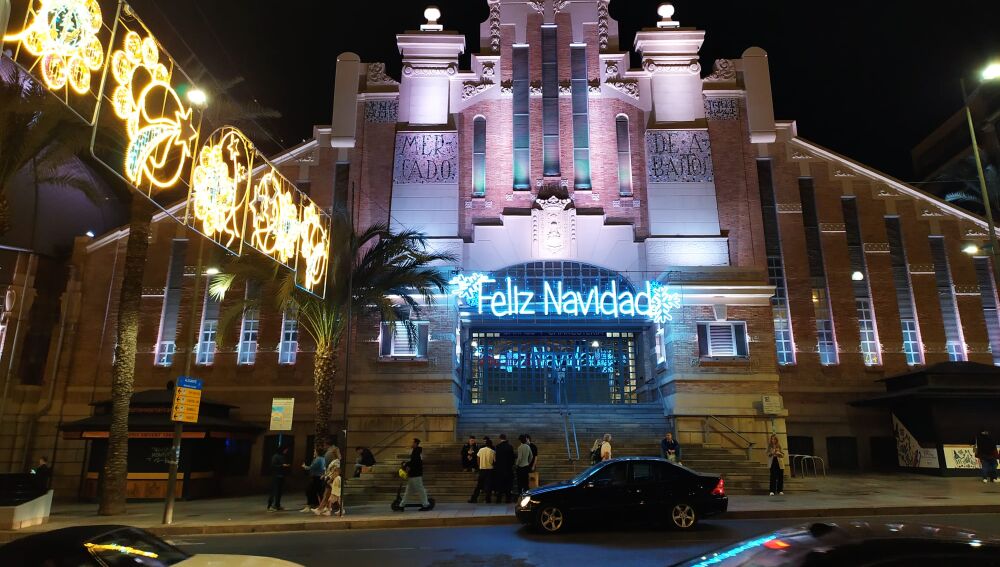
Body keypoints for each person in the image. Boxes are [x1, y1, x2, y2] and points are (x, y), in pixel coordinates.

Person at [399, 438, 432, 511]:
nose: (411, 444)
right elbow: (413, 461)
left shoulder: (417, 452)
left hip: (416, 474)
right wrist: (407, 465)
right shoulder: (415, 451)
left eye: (412, 442)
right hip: (413, 474)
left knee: (420, 490)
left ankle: (426, 505)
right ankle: (401, 505)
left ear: (415, 443)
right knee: (408, 491)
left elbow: (415, 462)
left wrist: (406, 464)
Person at [469, 437, 495, 503]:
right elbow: (494, 461)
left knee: (479, 485)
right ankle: (488, 499)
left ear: (486, 444)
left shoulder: (481, 450)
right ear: (491, 444)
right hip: (489, 470)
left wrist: (479, 465)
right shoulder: (493, 452)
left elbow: (477, 457)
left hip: (482, 469)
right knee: (488, 485)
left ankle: (474, 498)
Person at [493, 433, 515, 503]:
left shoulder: (497, 447)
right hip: (508, 469)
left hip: (499, 469)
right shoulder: (510, 447)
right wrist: (511, 465)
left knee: (500, 484)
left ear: (500, 438)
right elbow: (512, 458)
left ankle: (498, 499)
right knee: (508, 484)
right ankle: (508, 499)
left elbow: (496, 458)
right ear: (506, 438)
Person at [267, 446, 291, 511]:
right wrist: (282, 466)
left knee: (279, 492)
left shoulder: (283, 456)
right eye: (285, 450)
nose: (286, 451)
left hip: (282, 476)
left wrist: (285, 466)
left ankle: (277, 505)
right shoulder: (275, 456)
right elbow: (273, 465)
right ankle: (270, 506)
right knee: (274, 491)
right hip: (276, 476)